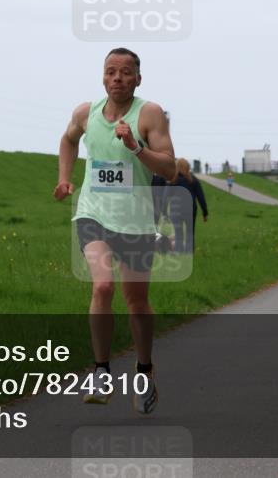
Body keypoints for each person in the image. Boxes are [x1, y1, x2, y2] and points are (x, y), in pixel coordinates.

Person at [54, 48, 176, 415]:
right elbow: (68, 140)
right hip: (93, 215)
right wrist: (64, 178)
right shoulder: (85, 113)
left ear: (138, 79)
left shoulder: (149, 113)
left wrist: (135, 147)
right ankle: (102, 371)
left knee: (136, 301)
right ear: (103, 78)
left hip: (136, 222)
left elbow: (169, 168)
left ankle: (144, 369)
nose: (118, 78)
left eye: (126, 72)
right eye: (111, 72)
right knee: (103, 286)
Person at [166, 158, 208, 254]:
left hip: (175, 210)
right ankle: (190, 252)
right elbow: (201, 197)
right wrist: (205, 212)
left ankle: (178, 250)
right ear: (188, 167)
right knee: (190, 232)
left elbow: (165, 197)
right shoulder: (193, 180)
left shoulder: (172, 181)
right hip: (190, 210)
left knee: (178, 232)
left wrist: (163, 211)